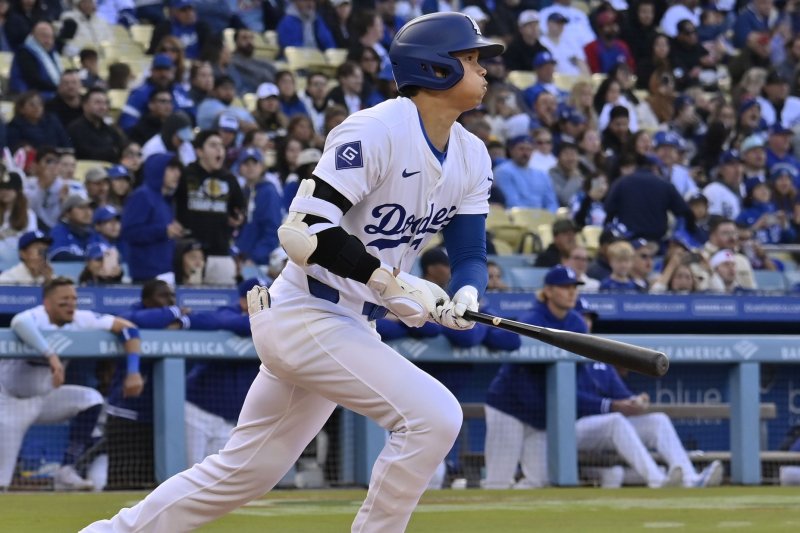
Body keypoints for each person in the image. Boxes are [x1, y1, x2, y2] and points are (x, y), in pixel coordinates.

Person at [83, 12, 500, 532]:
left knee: (242, 474)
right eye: (471, 58)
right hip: (308, 310)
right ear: (436, 69)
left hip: (349, 323)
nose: (484, 68)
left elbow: (470, 252)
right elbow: (303, 233)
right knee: (435, 417)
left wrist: (465, 293)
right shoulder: (376, 129)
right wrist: (388, 282)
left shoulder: (473, 153)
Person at [1, 277, 143, 491]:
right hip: (9, 402)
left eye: (74, 298)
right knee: (2, 479)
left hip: (45, 398)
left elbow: (129, 330)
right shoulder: (37, 316)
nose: (71, 304)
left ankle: (66, 470)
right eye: (63, 300)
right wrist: (51, 355)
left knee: (91, 400)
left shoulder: (81, 318)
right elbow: (19, 323)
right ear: (47, 303)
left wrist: (133, 371)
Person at [483, 265, 583, 489]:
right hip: (508, 406)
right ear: (548, 291)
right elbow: (503, 341)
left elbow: (578, 373)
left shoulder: (577, 322)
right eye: (564, 287)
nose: (571, 292)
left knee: (539, 481)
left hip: (541, 414)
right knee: (498, 479)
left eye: (574, 287)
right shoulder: (532, 317)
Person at [174, 130, 246, 285]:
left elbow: (240, 209)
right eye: (213, 145)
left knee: (222, 301)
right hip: (190, 253)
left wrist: (238, 218)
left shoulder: (229, 179)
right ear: (199, 151)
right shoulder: (186, 175)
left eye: (221, 146)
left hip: (220, 252)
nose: (219, 150)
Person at [121, 153, 184, 283]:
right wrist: (163, 231)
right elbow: (129, 232)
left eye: (178, 170)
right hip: (146, 274)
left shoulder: (165, 200)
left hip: (164, 272)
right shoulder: (142, 196)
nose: (177, 174)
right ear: (157, 169)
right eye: (172, 169)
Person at [493, 135, 559, 210]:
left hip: (543, 219)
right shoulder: (502, 171)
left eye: (529, 149)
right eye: (521, 149)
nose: (525, 153)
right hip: (515, 218)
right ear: (511, 150)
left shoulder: (542, 174)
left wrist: (549, 217)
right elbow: (512, 202)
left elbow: (552, 202)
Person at [66, 87, 127, 162]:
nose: (103, 107)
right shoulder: (75, 129)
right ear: (85, 105)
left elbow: (122, 148)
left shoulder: (110, 129)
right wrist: (112, 152)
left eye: (105, 103)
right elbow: (87, 154)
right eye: (97, 103)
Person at [48, 194, 95, 261]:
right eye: (81, 208)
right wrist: (93, 261)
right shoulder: (59, 231)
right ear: (67, 213)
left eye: (89, 208)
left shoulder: (92, 233)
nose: (88, 212)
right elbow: (59, 256)